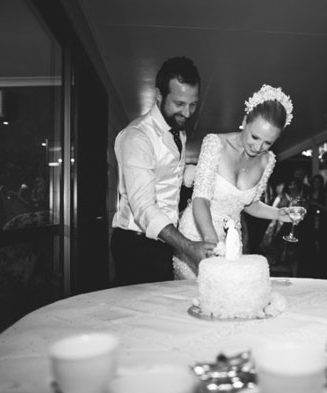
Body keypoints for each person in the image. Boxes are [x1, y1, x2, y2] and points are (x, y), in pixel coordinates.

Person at [111, 56, 215, 285]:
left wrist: (203, 173)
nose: (187, 113)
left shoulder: (178, 131)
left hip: (164, 242)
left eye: (193, 104)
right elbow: (144, 207)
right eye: (179, 104)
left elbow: (169, 175)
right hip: (136, 246)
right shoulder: (137, 136)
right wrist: (188, 246)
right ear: (159, 95)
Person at [173, 84, 295, 279]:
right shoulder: (215, 143)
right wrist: (211, 240)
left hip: (231, 238)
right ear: (245, 121)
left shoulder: (268, 161)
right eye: (255, 136)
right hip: (198, 233)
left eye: (268, 142)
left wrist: (279, 214)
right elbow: (201, 199)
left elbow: (249, 204)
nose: (258, 147)